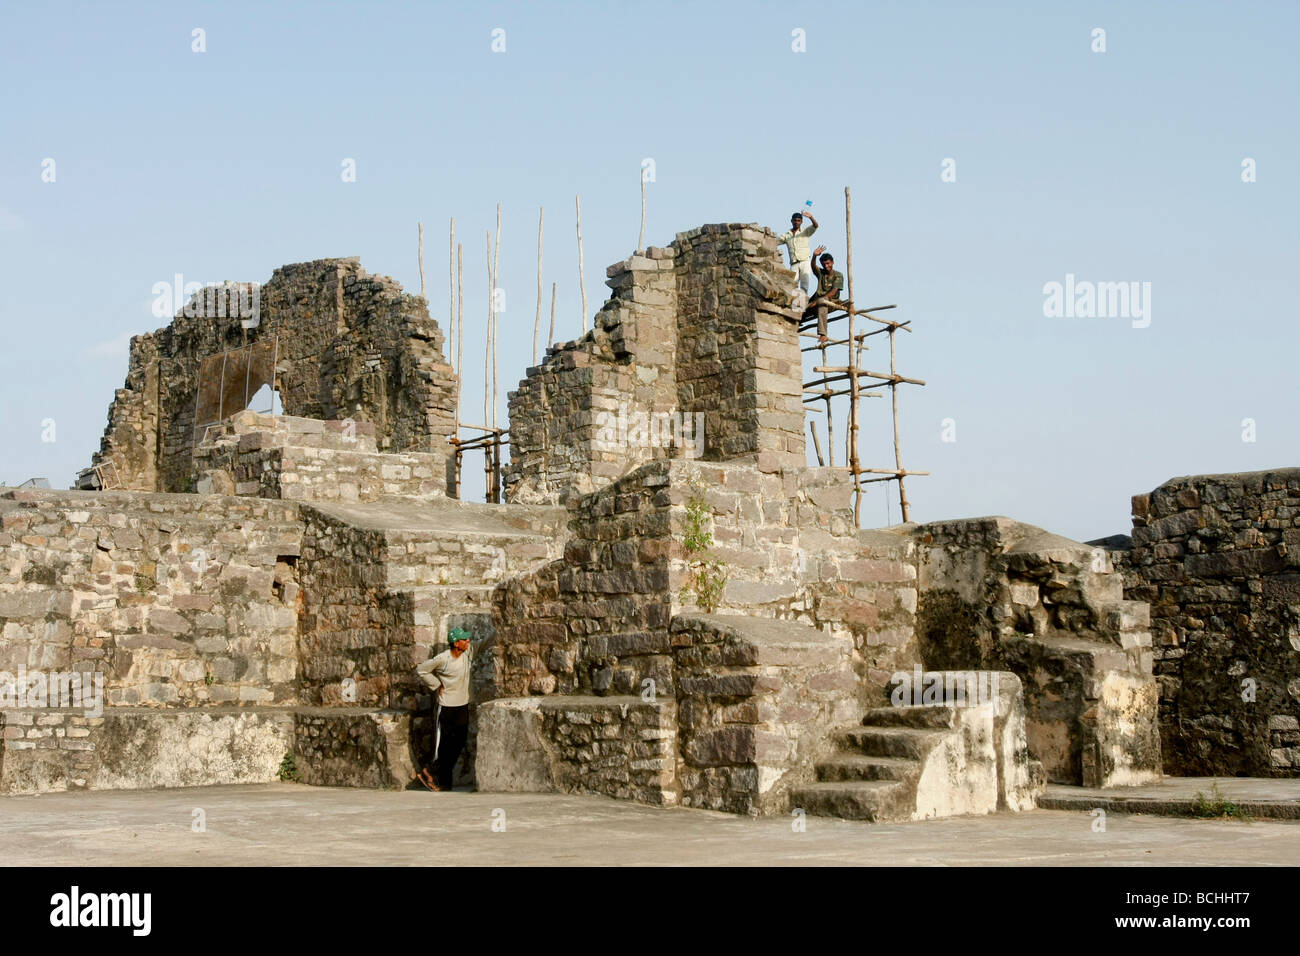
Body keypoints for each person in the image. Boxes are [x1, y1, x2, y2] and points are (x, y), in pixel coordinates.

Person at [415, 626, 478, 791]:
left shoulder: (469, 652)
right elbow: (422, 670)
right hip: (446, 707)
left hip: (462, 705)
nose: (468, 641)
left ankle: (431, 772)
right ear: (456, 643)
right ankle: (440, 781)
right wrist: (436, 684)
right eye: (464, 639)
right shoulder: (443, 659)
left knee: (458, 743)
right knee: (443, 746)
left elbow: (486, 643)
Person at [776, 210, 819, 307]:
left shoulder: (805, 232)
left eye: (799, 220)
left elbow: (816, 226)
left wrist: (811, 217)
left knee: (804, 284)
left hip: (805, 261)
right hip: (794, 263)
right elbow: (776, 241)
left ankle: (801, 306)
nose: (797, 222)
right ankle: (793, 304)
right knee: (792, 284)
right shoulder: (787, 235)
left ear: (801, 222)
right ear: (791, 221)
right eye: (795, 220)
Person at [809, 246, 846, 344]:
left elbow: (834, 291)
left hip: (831, 300)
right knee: (801, 305)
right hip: (816, 300)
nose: (826, 266)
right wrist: (814, 256)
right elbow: (813, 267)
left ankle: (823, 334)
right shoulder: (821, 273)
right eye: (824, 264)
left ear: (832, 262)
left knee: (822, 302)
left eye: (828, 263)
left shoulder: (838, 275)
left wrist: (818, 301)